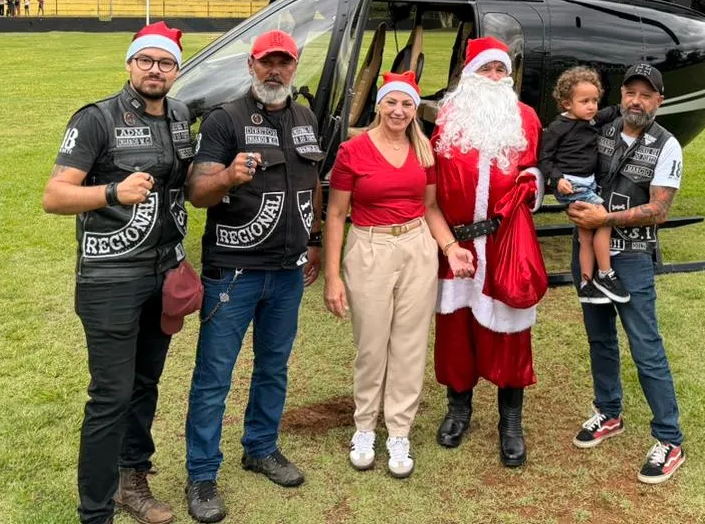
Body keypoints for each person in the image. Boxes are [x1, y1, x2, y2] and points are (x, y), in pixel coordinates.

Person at [42, 22, 197, 524]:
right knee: (110, 395)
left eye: (166, 62)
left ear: (176, 70)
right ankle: (95, 512)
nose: (155, 70)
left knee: (145, 384)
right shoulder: (96, 119)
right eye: (145, 60)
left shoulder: (181, 115)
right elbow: (55, 196)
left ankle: (133, 482)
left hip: (164, 273)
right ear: (129, 64)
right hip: (110, 278)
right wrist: (112, 192)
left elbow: (186, 186)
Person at [183, 29, 325, 523]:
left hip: (287, 273)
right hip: (234, 272)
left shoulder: (306, 117)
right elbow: (197, 192)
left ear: (295, 66)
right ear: (251, 64)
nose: (275, 71)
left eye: (284, 63)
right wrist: (227, 176)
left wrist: (314, 238)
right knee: (214, 376)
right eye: (267, 62)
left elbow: (312, 181)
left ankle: (261, 447)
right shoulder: (225, 119)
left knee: (274, 366)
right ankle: (202, 473)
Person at [324, 71, 475, 479]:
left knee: (409, 344)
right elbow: (336, 214)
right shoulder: (353, 150)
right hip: (370, 246)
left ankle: (399, 431)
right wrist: (332, 276)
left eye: (407, 103)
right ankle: (364, 427)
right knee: (371, 344)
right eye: (391, 101)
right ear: (379, 104)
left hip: (416, 246)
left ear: (415, 109)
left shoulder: (423, 151)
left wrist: (450, 247)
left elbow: (430, 208)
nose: (399, 110)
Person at [567, 63, 687, 485]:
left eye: (646, 95)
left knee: (645, 347)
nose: (636, 101)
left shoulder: (667, 145)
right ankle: (609, 411)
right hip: (586, 249)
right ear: (621, 94)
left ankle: (669, 439)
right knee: (599, 337)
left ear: (659, 101)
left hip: (631, 257)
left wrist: (605, 218)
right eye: (630, 92)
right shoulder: (598, 127)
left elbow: (659, 210)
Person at [431, 36, 546, 468]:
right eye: (486, 69)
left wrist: (530, 185)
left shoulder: (525, 117)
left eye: (501, 70)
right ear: (468, 75)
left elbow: (533, 167)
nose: (495, 77)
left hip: (503, 240)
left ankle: (510, 422)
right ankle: (458, 409)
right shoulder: (448, 116)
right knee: (456, 330)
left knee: (510, 331)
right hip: (458, 243)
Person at [540, 66, 629, 305]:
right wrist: (557, 179)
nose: (592, 106)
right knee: (604, 220)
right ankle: (605, 274)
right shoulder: (558, 127)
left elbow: (611, 112)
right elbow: (544, 158)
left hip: (588, 183)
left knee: (586, 235)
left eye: (594, 100)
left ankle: (586, 284)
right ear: (567, 104)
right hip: (572, 185)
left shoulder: (591, 120)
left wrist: (627, 104)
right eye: (585, 101)